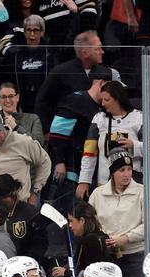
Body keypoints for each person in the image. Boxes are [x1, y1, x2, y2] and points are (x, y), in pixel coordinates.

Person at [88, 148, 150, 277]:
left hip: (135, 256)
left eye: (129, 169)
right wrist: (102, 239)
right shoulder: (97, 194)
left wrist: (125, 238)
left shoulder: (143, 192)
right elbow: (90, 223)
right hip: (106, 256)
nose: (127, 174)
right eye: (122, 170)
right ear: (112, 172)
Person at [47, 66, 112, 198]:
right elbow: (57, 133)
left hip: (91, 171)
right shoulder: (76, 100)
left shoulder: (103, 107)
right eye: (110, 87)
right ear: (101, 83)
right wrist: (59, 161)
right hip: (71, 171)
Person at [77, 81, 144, 198]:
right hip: (105, 183)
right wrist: (84, 180)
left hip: (133, 182)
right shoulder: (99, 119)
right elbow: (89, 153)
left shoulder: (140, 117)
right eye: (101, 100)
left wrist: (133, 145)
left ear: (118, 99)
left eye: (106, 100)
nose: (102, 104)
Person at [34, 31, 110, 132]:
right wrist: (46, 130)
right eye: (97, 48)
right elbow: (42, 101)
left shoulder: (104, 73)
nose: (102, 52)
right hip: (65, 132)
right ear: (85, 53)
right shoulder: (60, 72)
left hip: (97, 131)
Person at [0, 14, 56, 114]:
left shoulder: (50, 53)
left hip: (45, 105)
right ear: (24, 33)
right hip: (22, 105)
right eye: (29, 30)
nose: (32, 34)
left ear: (42, 32)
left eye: (36, 30)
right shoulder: (15, 54)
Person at [0, 173, 46, 264]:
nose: (0, 202)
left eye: (3, 198)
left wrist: (26, 262)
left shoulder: (30, 213)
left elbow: (40, 244)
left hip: (24, 265)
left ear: (13, 193)